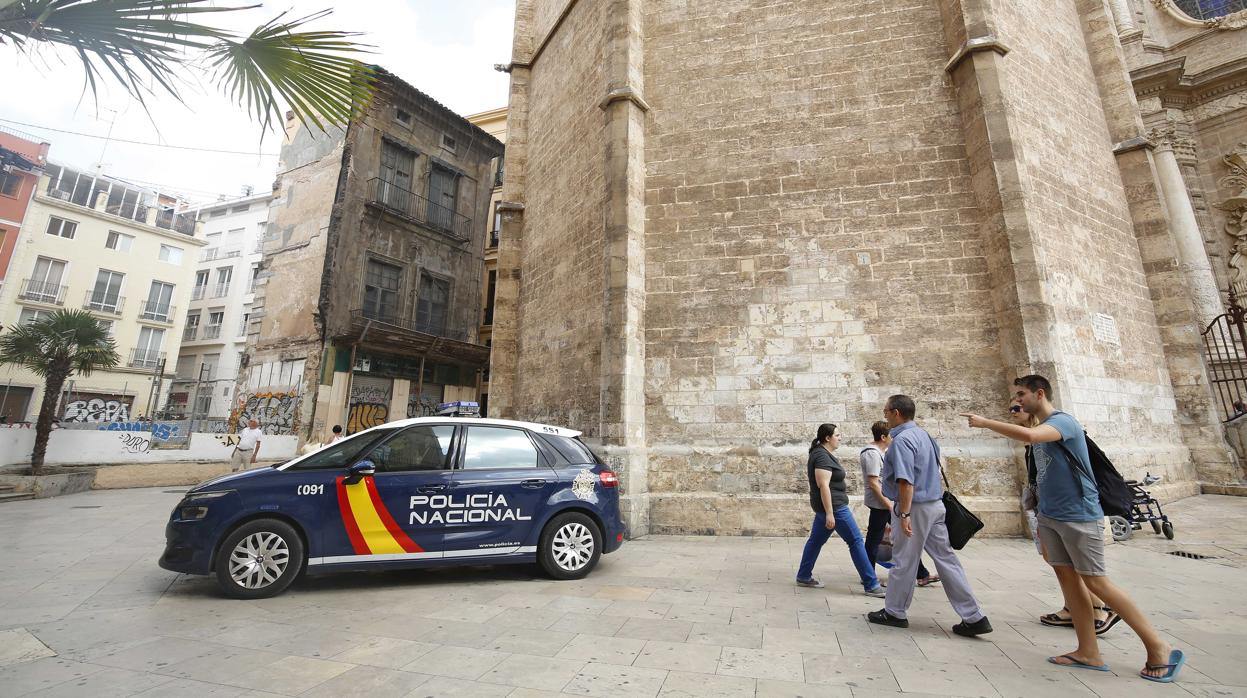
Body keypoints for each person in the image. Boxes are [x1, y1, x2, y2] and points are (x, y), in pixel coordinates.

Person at [962, 375, 1184, 682]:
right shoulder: (1036, 427)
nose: (1017, 400)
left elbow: (1032, 437)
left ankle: (1158, 646)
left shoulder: (1063, 422)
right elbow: (1034, 451)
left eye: (1022, 394)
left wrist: (987, 423)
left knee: (1097, 583)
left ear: (1040, 393)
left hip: (1079, 515)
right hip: (1052, 516)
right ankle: (1088, 652)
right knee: (1069, 581)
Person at [867, 394, 991, 636]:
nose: (884, 416)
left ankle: (894, 612)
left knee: (904, 559)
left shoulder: (901, 441)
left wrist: (904, 514)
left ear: (896, 413)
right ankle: (973, 616)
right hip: (935, 504)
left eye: (886, 411)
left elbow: (905, 481)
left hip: (915, 506)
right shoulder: (925, 436)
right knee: (947, 560)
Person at [1010, 400, 1118, 633]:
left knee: (1076, 565)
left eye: (1017, 407)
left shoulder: (1052, 432)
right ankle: (1072, 607)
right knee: (1056, 561)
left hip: (1069, 509)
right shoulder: (1033, 442)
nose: (1013, 412)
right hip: (1044, 508)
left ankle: (1100, 608)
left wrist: (985, 423)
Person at [796, 423, 886, 597]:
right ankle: (871, 584)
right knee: (855, 541)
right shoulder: (822, 456)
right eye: (837, 435)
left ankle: (804, 575)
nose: (840, 438)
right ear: (827, 438)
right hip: (835, 508)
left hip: (830, 507)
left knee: (815, 541)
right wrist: (830, 513)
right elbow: (823, 486)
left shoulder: (823, 454)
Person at [860, 421, 939, 587]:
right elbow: (874, 483)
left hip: (889, 502)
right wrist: (890, 505)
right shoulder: (872, 454)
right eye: (891, 436)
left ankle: (922, 574)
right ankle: (868, 575)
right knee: (874, 540)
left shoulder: (884, 451)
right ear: (883, 437)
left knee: (905, 537)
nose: (894, 439)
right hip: (880, 504)